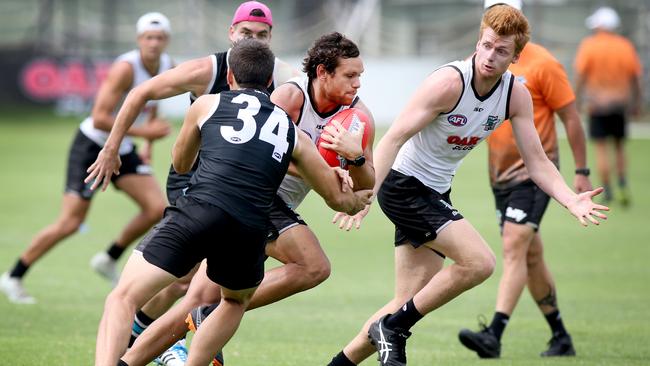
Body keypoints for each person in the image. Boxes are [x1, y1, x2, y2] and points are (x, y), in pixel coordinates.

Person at [327, 5, 609, 366]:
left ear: (516, 56)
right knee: (480, 262)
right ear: (479, 41)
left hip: (435, 192)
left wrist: (571, 200)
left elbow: (537, 162)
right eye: (487, 45)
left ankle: (347, 359)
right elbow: (393, 138)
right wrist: (369, 192)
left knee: (405, 301)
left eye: (502, 51)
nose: (490, 56)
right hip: (403, 186)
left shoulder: (514, 96)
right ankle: (393, 330)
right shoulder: (448, 83)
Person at [94, 37, 372, 366]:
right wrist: (349, 189)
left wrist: (354, 160)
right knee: (232, 302)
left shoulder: (207, 104)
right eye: (351, 75)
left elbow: (181, 164)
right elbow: (341, 201)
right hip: (251, 223)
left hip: (204, 208)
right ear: (271, 82)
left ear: (229, 77)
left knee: (124, 297)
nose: (356, 83)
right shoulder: (290, 125)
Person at [85, 2, 297, 364]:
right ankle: (168, 346)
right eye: (246, 33)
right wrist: (111, 149)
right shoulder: (207, 69)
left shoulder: (284, 78)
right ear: (231, 33)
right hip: (192, 183)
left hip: (240, 192)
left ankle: (149, 341)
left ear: (271, 38)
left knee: (193, 284)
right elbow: (140, 93)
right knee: (191, 281)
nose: (253, 40)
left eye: (261, 35)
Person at [0, 12, 172, 304]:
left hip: (124, 147)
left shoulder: (167, 66)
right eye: (148, 38)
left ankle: (107, 258)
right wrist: (144, 131)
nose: (153, 44)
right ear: (139, 39)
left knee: (157, 208)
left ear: (166, 41)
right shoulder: (125, 68)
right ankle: (13, 275)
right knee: (70, 222)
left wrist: (147, 145)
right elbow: (100, 117)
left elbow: (152, 105)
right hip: (93, 146)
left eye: (159, 38)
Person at [457, 0, 592, 359]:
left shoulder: (544, 64)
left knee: (514, 247)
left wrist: (581, 172)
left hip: (534, 176)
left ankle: (494, 334)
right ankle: (560, 335)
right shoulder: (482, 62)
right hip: (498, 177)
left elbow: (572, 118)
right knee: (531, 257)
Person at [574, 6, 643, 206]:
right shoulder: (625, 46)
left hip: (597, 105)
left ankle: (608, 189)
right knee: (620, 147)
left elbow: (581, 76)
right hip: (619, 104)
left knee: (601, 148)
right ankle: (622, 184)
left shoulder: (589, 45)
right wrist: (636, 102)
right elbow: (636, 78)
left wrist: (576, 102)